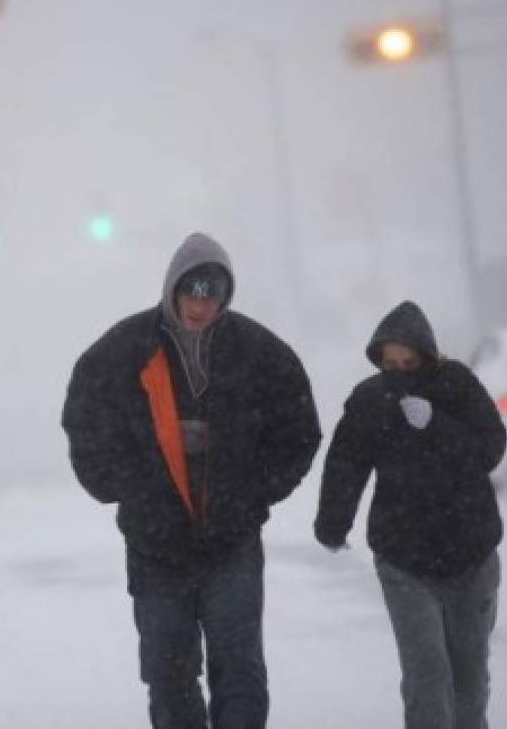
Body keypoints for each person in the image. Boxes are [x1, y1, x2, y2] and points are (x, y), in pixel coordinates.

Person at [62, 231, 321, 729]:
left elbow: (300, 430)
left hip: (231, 545)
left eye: (212, 297)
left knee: (240, 675)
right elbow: (85, 420)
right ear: (173, 289)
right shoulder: (124, 349)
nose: (200, 307)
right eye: (192, 293)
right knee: (169, 676)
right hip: (156, 549)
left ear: (225, 298)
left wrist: (253, 493)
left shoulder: (258, 351)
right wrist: (125, 486)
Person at [313, 300, 506, 729]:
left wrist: (436, 423)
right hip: (404, 560)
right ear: (379, 362)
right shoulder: (370, 400)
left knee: (468, 679)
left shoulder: (458, 387)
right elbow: (346, 463)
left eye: (409, 362)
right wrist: (332, 524)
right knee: (427, 671)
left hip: (471, 554)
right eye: (390, 363)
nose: (400, 371)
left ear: (428, 357)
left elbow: (490, 450)